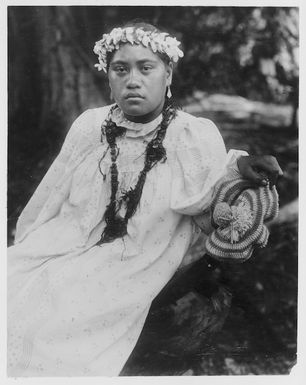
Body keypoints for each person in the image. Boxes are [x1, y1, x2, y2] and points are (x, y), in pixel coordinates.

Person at [7, 21, 283, 377]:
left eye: (146, 68)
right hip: (70, 239)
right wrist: (32, 240)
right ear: (108, 77)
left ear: (167, 75)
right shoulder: (91, 125)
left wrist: (240, 164)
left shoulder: (190, 133)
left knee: (58, 319)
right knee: (13, 282)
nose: (132, 80)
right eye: (120, 69)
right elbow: (53, 191)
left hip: (136, 254)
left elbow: (205, 191)